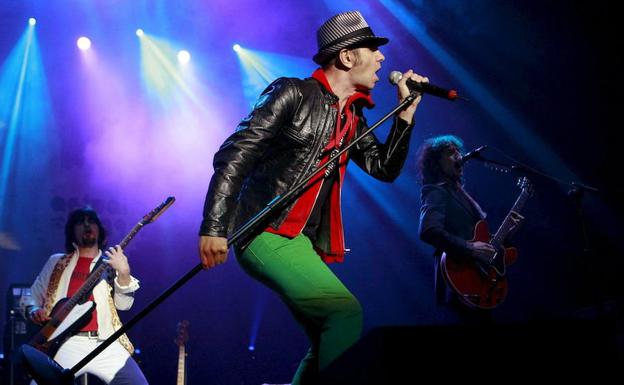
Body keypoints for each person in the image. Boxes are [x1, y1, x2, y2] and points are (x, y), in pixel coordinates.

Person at [198, 10, 427, 385]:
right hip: (264, 230)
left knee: (327, 339)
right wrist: (214, 226)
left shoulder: (352, 116)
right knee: (345, 313)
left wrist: (405, 116)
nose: (382, 57)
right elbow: (234, 155)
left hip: (298, 240)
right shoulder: (292, 93)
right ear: (347, 57)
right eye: (373, 48)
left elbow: (383, 168)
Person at [22, 206, 148, 385]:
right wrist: (33, 309)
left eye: (91, 221)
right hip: (66, 342)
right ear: (72, 231)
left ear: (99, 229)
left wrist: (124, 272)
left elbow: (124, 305)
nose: (87, 225)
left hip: (105, 341)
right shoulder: (56, 262)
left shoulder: (111, 265)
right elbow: (30, 297)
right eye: (81, 222)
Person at [417, 135, 522, 324]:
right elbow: (428, 230)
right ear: (436, 164)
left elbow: (482, 242)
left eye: (458, 151)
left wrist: (508, 232)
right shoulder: (435, 191)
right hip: (458, 279)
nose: (458, 155)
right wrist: (470, 248)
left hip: (479, 280)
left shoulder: (461, 194)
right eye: (450, 152)